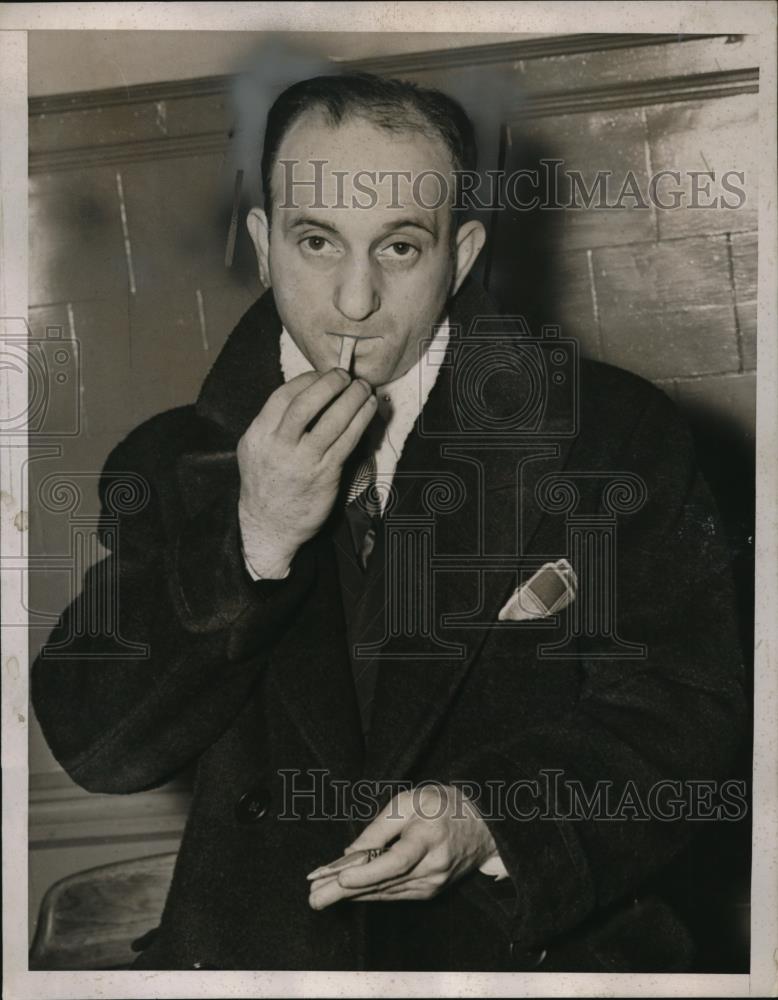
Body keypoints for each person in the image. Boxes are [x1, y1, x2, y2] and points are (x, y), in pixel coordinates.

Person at [32, 73, 746, 972]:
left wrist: (495, 816)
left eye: (401, 247)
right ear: (262, 244)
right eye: (317, 241)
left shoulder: (611, 435)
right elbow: (98, 747)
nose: (356, 301)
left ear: (463, 252)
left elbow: (692, 720)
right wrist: (251, 541)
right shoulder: (168, 462)